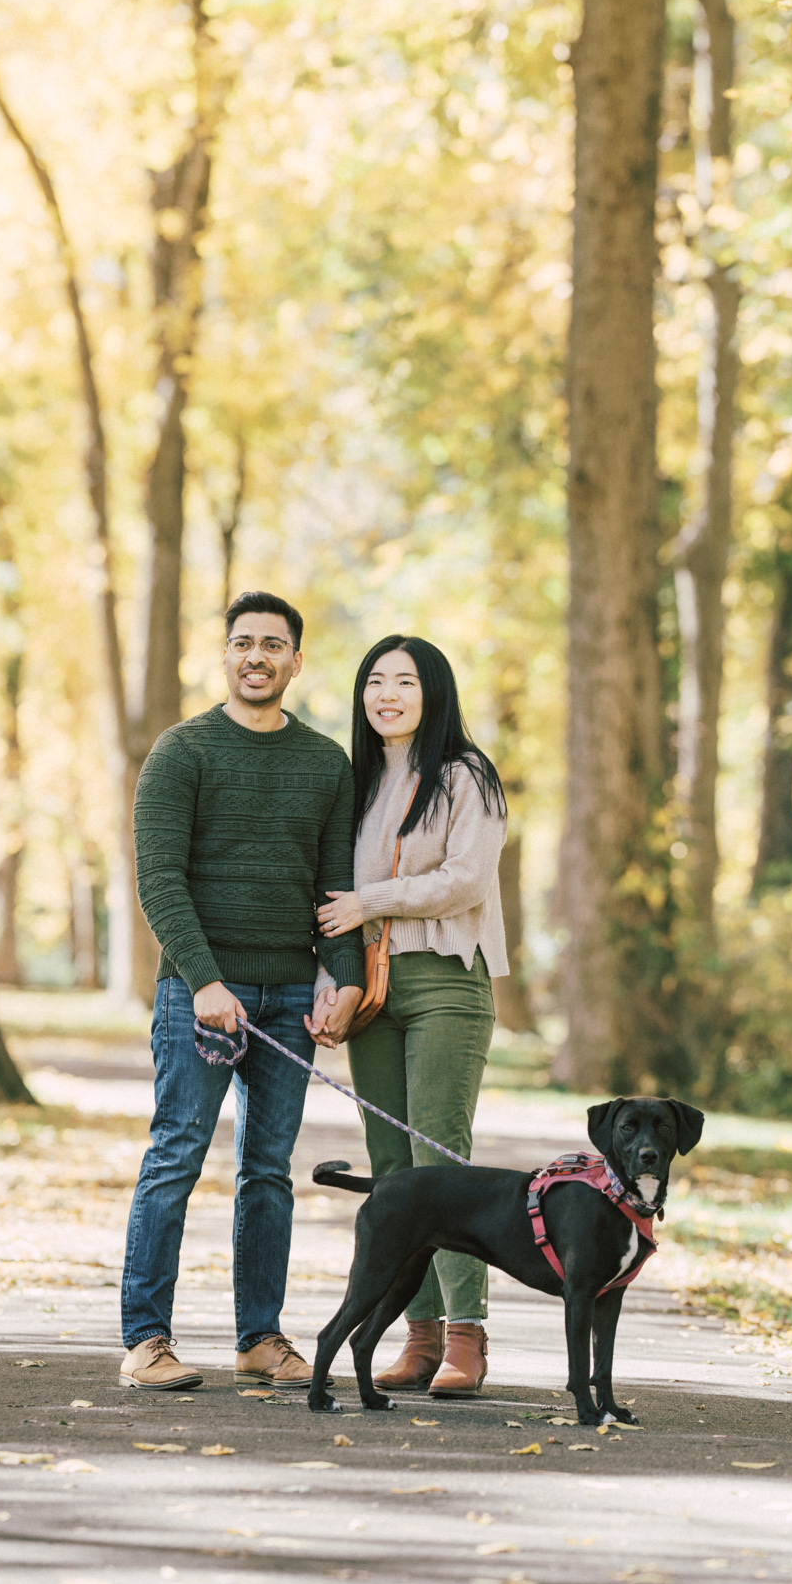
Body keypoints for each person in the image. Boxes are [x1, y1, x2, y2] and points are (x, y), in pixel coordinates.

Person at [119, 591, 364, 1392]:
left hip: (290, 997)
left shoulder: (326, 763)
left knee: (267, 1171)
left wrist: (346, 979)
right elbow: (159, 879)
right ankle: (145, 1340)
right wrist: (205, 979)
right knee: (176, 1156)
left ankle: (260, 1338)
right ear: (224, 655)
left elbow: (335, 888)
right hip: (200, 995)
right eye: (243, 643)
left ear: (297, 661)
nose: (256, 656)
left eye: (272, 644)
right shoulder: (182, 751)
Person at [313, 634, 508, 1397]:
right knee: (393, 1171)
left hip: (448, 982)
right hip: (376, 988)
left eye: (404, 681)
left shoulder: (466, 776)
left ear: (434, 693)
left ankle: (466, 1335)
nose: (386, 694)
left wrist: (374, 901)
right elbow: (332, 897)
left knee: (439, 1160)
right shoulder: (357, 782)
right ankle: (417, 1335)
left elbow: (466, 879)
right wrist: (333, 982)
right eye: (374, 681)